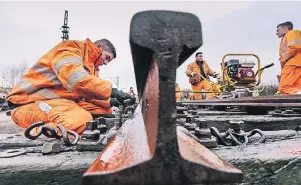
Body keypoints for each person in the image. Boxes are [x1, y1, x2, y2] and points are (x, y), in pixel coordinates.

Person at [6, 38, 135, 134]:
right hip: (27, 103)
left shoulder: (92, 68)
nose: (106, 63)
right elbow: (75, 79)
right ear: (99, 47)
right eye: (107, 58)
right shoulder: (70, 48)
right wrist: (113, 91)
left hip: (54, 101)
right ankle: (32, 133)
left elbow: (86, 94)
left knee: (104, 111)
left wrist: (112, 101)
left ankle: (58, 125)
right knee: (80, 120)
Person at [276, 21, 301, 95]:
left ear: (285, 29)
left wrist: (283, 59)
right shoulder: (288, 36)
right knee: (296, 87)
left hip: (292, 64)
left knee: (284, 87)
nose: (276, 33)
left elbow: (294, 47)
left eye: (278, 30)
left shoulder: (290, 33)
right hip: (296, 64)